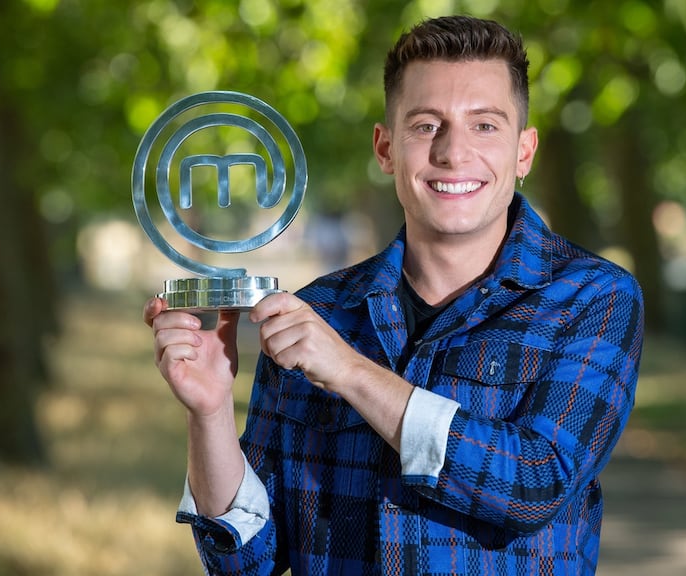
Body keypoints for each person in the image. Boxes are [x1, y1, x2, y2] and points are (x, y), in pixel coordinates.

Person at [144, 15, 644, 576]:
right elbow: (247, 563)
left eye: (485, 126)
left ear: (524, 151)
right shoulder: (321, 313)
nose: (454, 153)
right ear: (385, 148)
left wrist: (352, 374)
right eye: (427, 125)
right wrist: (209, 413)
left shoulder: (592, 297)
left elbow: (535, 484)